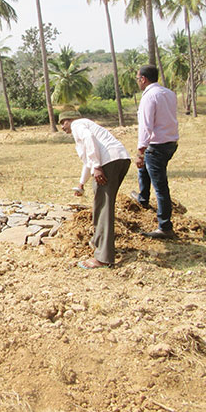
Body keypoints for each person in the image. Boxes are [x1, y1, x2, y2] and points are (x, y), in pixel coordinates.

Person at [60, 110, 131, 269]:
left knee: (103, 208)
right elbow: (88, 161)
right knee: (103, 205)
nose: (62, 127)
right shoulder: (87, 125)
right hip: (120, 159)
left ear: (71, 119)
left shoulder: (78, 124)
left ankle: (103, 258)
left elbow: (89, 140)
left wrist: (97, 166)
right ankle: (99, 243)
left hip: (107, 162)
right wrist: (81, 184)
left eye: (63, 122)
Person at [133, 65, 179, 239]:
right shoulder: (168, 93)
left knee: (160, 187)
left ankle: (165, 226)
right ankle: (143, 199)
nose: (138, 82)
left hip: (157, 145)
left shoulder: (149, 97)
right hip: (170, 142)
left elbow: (146, 126)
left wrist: (140, 151)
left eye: (138, 79)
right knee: (144, 170)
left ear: (143, 79)